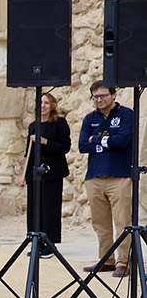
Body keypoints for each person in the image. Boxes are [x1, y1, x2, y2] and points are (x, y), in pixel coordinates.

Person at [78, 82, 135, 277]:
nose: (99, 100)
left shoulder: (126, 114)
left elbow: (122, 141)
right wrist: (107, 142)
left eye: (103, 95)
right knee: (100, 223)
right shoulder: (90, 118)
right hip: (94, 177)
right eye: (95, 97)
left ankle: (123, 262)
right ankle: (106, 260)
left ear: (113, 95)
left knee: (122, 222)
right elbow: (83, 146)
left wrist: (97, 140)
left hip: (119, 176)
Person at [17, 92, 70, 242]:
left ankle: (49, 242)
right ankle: (35, 240)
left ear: (52, 106)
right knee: (34, 208)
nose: (43, 106)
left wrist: (45, 142)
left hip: (52, 172)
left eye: (46, 103)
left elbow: (65, 147)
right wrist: (23, 175)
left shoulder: (60, 123)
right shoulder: (34, 126)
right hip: (34, 172)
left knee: (50, 208)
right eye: (40, 103)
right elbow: (28, 153)